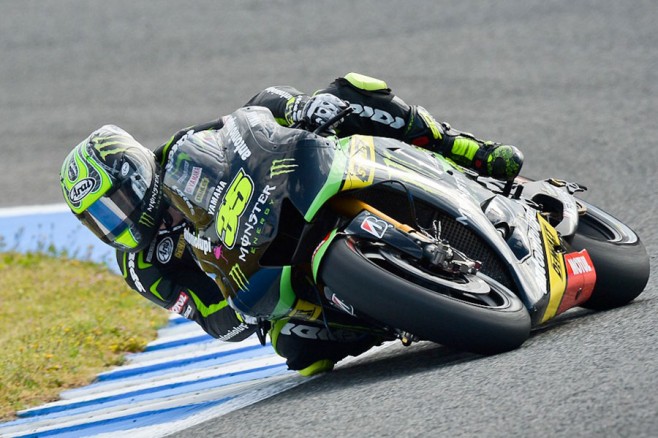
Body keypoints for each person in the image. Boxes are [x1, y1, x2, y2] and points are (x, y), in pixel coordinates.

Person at [59, 73, 524, 376]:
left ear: (136, 172)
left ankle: (466, 149)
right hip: (270, 281)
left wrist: (301, 109)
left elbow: (252, 115)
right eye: (101, 218)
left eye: (115, 203)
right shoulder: (144, 268)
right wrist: (236, 312)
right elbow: (214, 321)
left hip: (288, 196)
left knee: (349, 92)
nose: (117, 220)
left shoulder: (182, 150)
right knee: (302, 351)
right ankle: (399, 310)